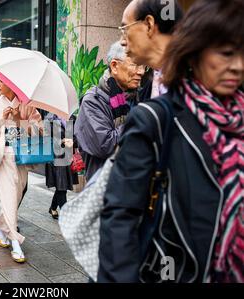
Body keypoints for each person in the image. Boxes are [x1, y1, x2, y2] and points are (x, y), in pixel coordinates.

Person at [98, 0, 243, 283]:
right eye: (226, 54)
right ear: (196, 53)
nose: (236, 66)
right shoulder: (155, 116)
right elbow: (120, 215)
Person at [0, 80, 42, 263]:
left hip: (23, 155)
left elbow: (39, 129)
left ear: (13, 84)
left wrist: (18, 120)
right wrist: (0, 120)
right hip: (4, 155)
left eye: (2, 82)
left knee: (17, 195)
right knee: (9, 197)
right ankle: (15, 242)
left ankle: (0, 230)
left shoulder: (27, 106)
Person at [74, 41, 145, 181]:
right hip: (106, 186)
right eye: (135, 64)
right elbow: (104, 145)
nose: (141, 71)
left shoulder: (139, 96)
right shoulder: (94, 100)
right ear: (114, 66)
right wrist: (139, 119)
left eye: (143, 65)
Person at [119, 0, 183, 100]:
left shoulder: (201, 85)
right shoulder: (151, 86)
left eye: (125, 29)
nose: (122, 41)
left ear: (149, 25)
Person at [44, 113, 78, 219]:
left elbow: (77, 136)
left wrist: (73, 141)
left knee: (62, 185)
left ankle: (53, 207)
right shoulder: (49, 120)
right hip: (56, 157)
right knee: (61, 185)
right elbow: (45, 140)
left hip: (68, 156)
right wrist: (61, 141)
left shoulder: (72, 118)